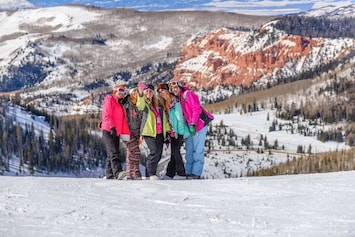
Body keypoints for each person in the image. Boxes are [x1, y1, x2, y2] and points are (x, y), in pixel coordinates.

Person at [169, 80, 214, 179]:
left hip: (199, 126)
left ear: (180, 87)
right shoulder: (178, 99)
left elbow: (196, 109)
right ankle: (189, 172)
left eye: (176, 87)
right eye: (172, 88)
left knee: (197, 150)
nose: (174, 90)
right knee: (189, 150)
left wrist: (193, 123)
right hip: (190, 128)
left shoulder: (187, 94)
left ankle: (196, 173)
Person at [136, 83, 170, 180]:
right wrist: (141, 94)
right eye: (147, 91)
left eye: (151, 91)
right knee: (154, 151)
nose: (149, 93)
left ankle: (149, 174)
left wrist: (167, 132)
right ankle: (151, 174)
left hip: (159, 133)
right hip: (149, 132)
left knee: (158, 154)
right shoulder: (144, 105)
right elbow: (140, 105)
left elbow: (164, 120)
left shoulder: (158, 104)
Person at [157, 83, 190, 179]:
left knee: (176, 152)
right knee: (173, 153)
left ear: (167, 90)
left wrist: (180, 134)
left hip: (178, 132)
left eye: (163, 90)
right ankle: (170, 174)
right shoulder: (163, 103)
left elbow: (180, 119)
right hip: (171, 133)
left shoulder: (175, 102)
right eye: (159, 91)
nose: (161, 92)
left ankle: (181, 173)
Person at [99, 85, 130, 180]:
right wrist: (112, 127)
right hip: (108, 129)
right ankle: (118, 172)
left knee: (111, 152)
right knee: (113, 151)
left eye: (124, 92)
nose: (121, 93)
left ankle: (109, 174)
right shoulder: (110, 99)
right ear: (115, 91)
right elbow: (107, 114)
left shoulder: (119, 104)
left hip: (116, 131)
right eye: (120, 91)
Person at [123, 83, 143, 180]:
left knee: (130, 152)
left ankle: (129, 174)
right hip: (127, 131)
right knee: (136, 151)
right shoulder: (126, 103)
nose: (135, 93)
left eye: (137, 91)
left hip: (137, 132)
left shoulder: (139, 103)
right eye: (133, 91)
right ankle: (135, 172)